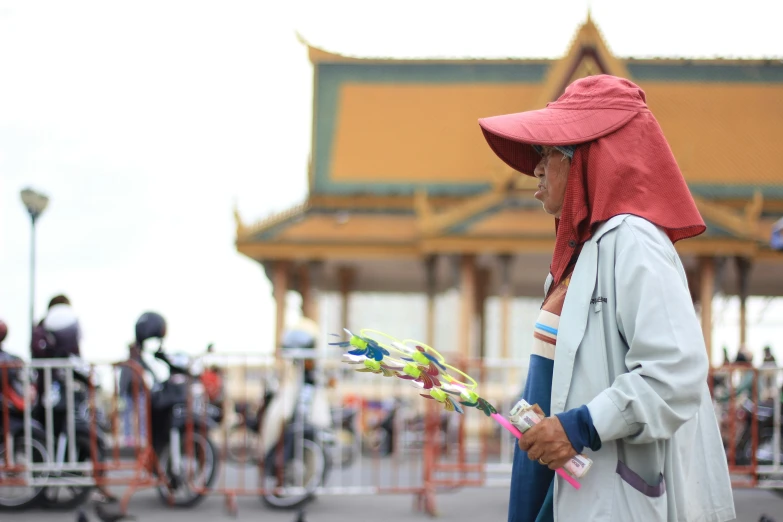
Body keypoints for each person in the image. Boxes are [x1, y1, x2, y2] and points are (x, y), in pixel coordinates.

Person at [478, 75, 734, 521]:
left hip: (614, 496)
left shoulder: (632, 241)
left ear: (589, 159)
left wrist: (579, 425)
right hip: (563, 486)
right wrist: (555, 415)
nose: (536, 168)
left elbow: (676, 371)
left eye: (548, 152)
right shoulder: (580, 256)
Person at [119, 341, 151, 446]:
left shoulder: (141, 362)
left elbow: (150, 371)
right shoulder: (128, 363)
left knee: (142, 415)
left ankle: (142, 436)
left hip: (140, 392)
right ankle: (128, 438)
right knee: (127, 416)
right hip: (129, 393)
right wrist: (121, 393)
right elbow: (122, 379)